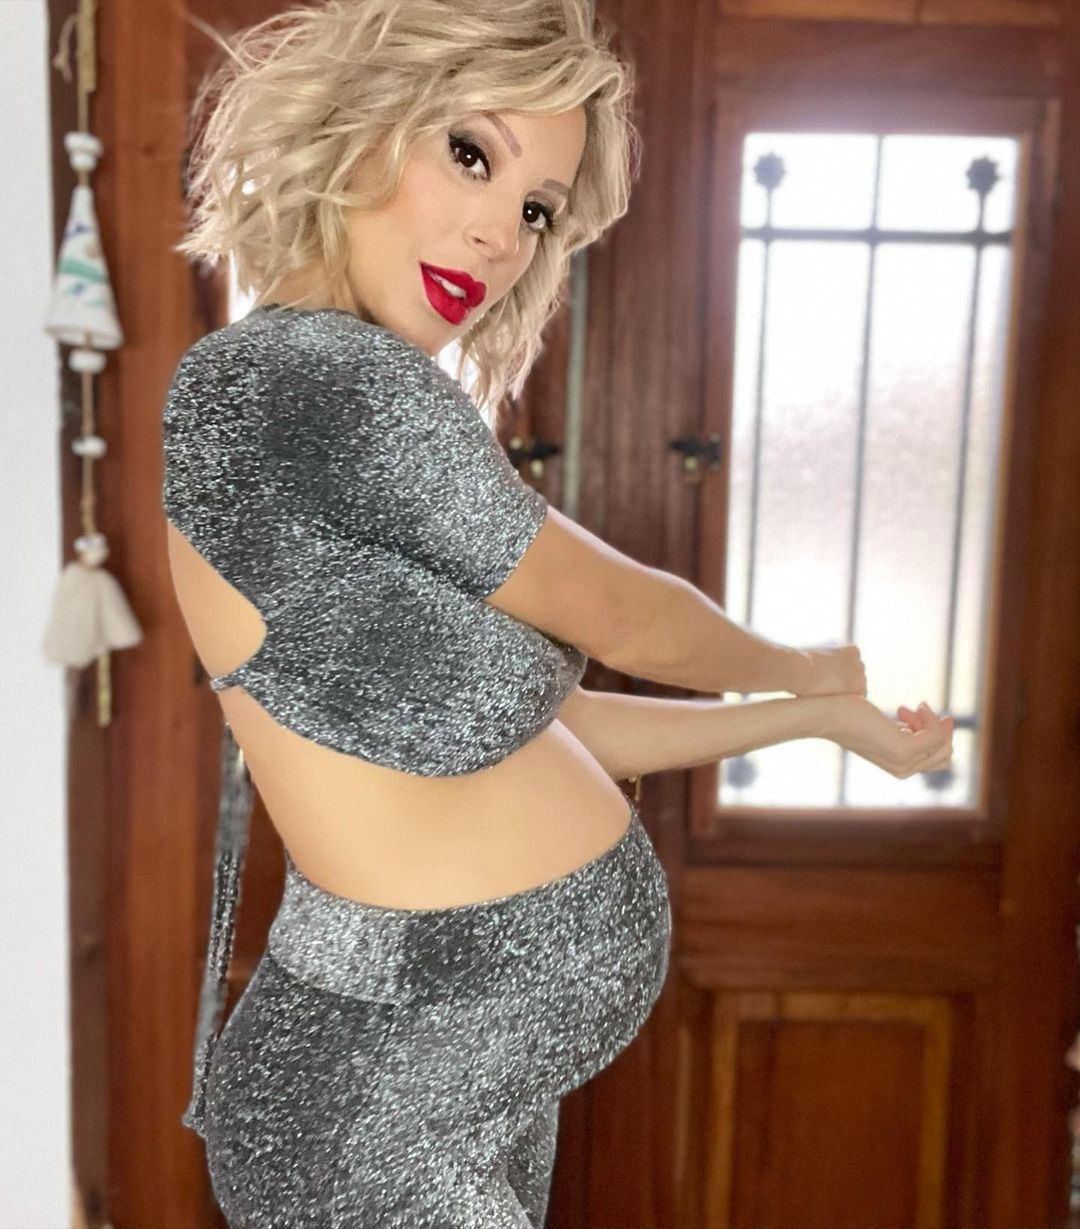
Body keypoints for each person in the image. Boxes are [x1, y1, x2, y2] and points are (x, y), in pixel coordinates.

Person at [162, 1, 955, 1224]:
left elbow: (548, 733)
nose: (499, 236)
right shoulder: (314, 382)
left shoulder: (292, 394)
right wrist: (796, 661)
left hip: (425, 1067)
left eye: (537, 209)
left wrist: (815, 716)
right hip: (378, 1103)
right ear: (364, 121)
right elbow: (619, 613)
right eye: (470, 153)